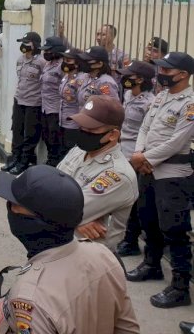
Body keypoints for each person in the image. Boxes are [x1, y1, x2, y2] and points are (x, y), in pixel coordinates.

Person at [0, 165, 139, 333]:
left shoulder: (28, 299)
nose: (9, 207)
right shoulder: (103, 254)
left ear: (32, 222)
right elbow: (128, 327)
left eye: (14, 203)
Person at [126, 51, 194, 308]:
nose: (161, 74)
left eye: (166, 70)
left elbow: (177, 141)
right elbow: (145, 127)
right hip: (147, 169)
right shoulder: (162, 96)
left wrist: (145, 158)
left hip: (172, 174)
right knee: (149, 220)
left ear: (183, 75)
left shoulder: (190, 104)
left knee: (175, 230)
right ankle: (152, 265)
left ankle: (180, 287)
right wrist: (138, 154)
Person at [56, 95, 138, 250]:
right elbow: (51, 188)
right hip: (61, 246)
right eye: (82, 127)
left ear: (113, 134)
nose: (83, 132)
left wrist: (72, 219)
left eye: (91, 129)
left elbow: (64, 211)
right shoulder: (79, 151)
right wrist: (77, 222)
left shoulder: (117, 174)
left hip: (91, 258)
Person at [116, 61, 156, 257]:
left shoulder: (150, 102)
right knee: (123, 197)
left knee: (134, 200)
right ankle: (126, 236)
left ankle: (131, 240)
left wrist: (142, 156)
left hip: (137, 156)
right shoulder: (128, 95)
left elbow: (149, 132)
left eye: (128, 75)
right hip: (122, 151)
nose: (124, 79)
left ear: (140, 79)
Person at [4, 32, 45, 175]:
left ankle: (24, 161)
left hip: (33, 103)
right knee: (16, 129)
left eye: (27, 43)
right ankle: (15, 158)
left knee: (30, 133)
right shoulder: (20, 59)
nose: (24, 46)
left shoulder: (41, 62)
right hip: (19, 99)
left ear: (35, 45)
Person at [39, 36, 67, 166]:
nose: (46, 53)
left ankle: (54, 164)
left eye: (48, 50)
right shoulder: (48, 64)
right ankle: (50, 160)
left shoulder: (62, 66)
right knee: (46, 137)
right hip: (45, 107)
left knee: (54, 139)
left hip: (56, 109)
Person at [59, 48, 85, 153]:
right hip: (62, 121)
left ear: (77, 63)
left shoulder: (81, 80)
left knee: (70, 152)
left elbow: (82, 102)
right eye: (64, 60)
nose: (65, 63)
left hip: (74, 124)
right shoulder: (66, 77)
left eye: (68, 61)